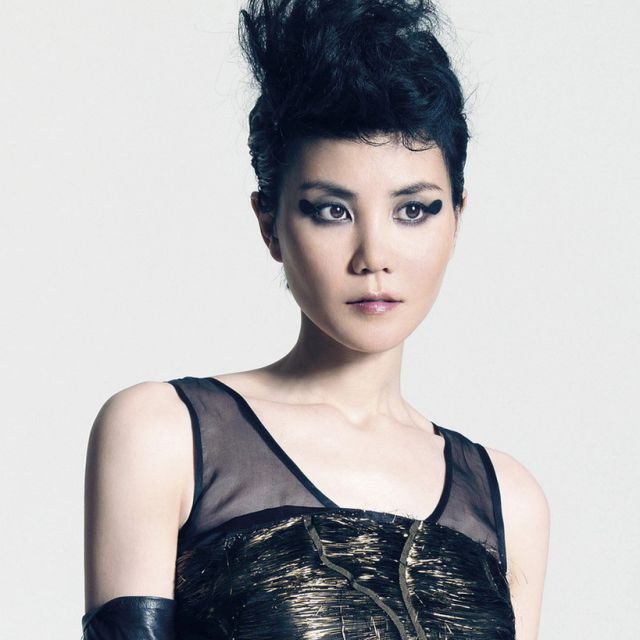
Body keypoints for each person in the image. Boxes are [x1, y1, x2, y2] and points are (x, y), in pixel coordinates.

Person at [82, 0, 550, 638]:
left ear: (457, 219)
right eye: (331, 210)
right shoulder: (165, 433)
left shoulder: (509, 501)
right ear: (269, 224)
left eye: (413, 210)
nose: (374, 256)